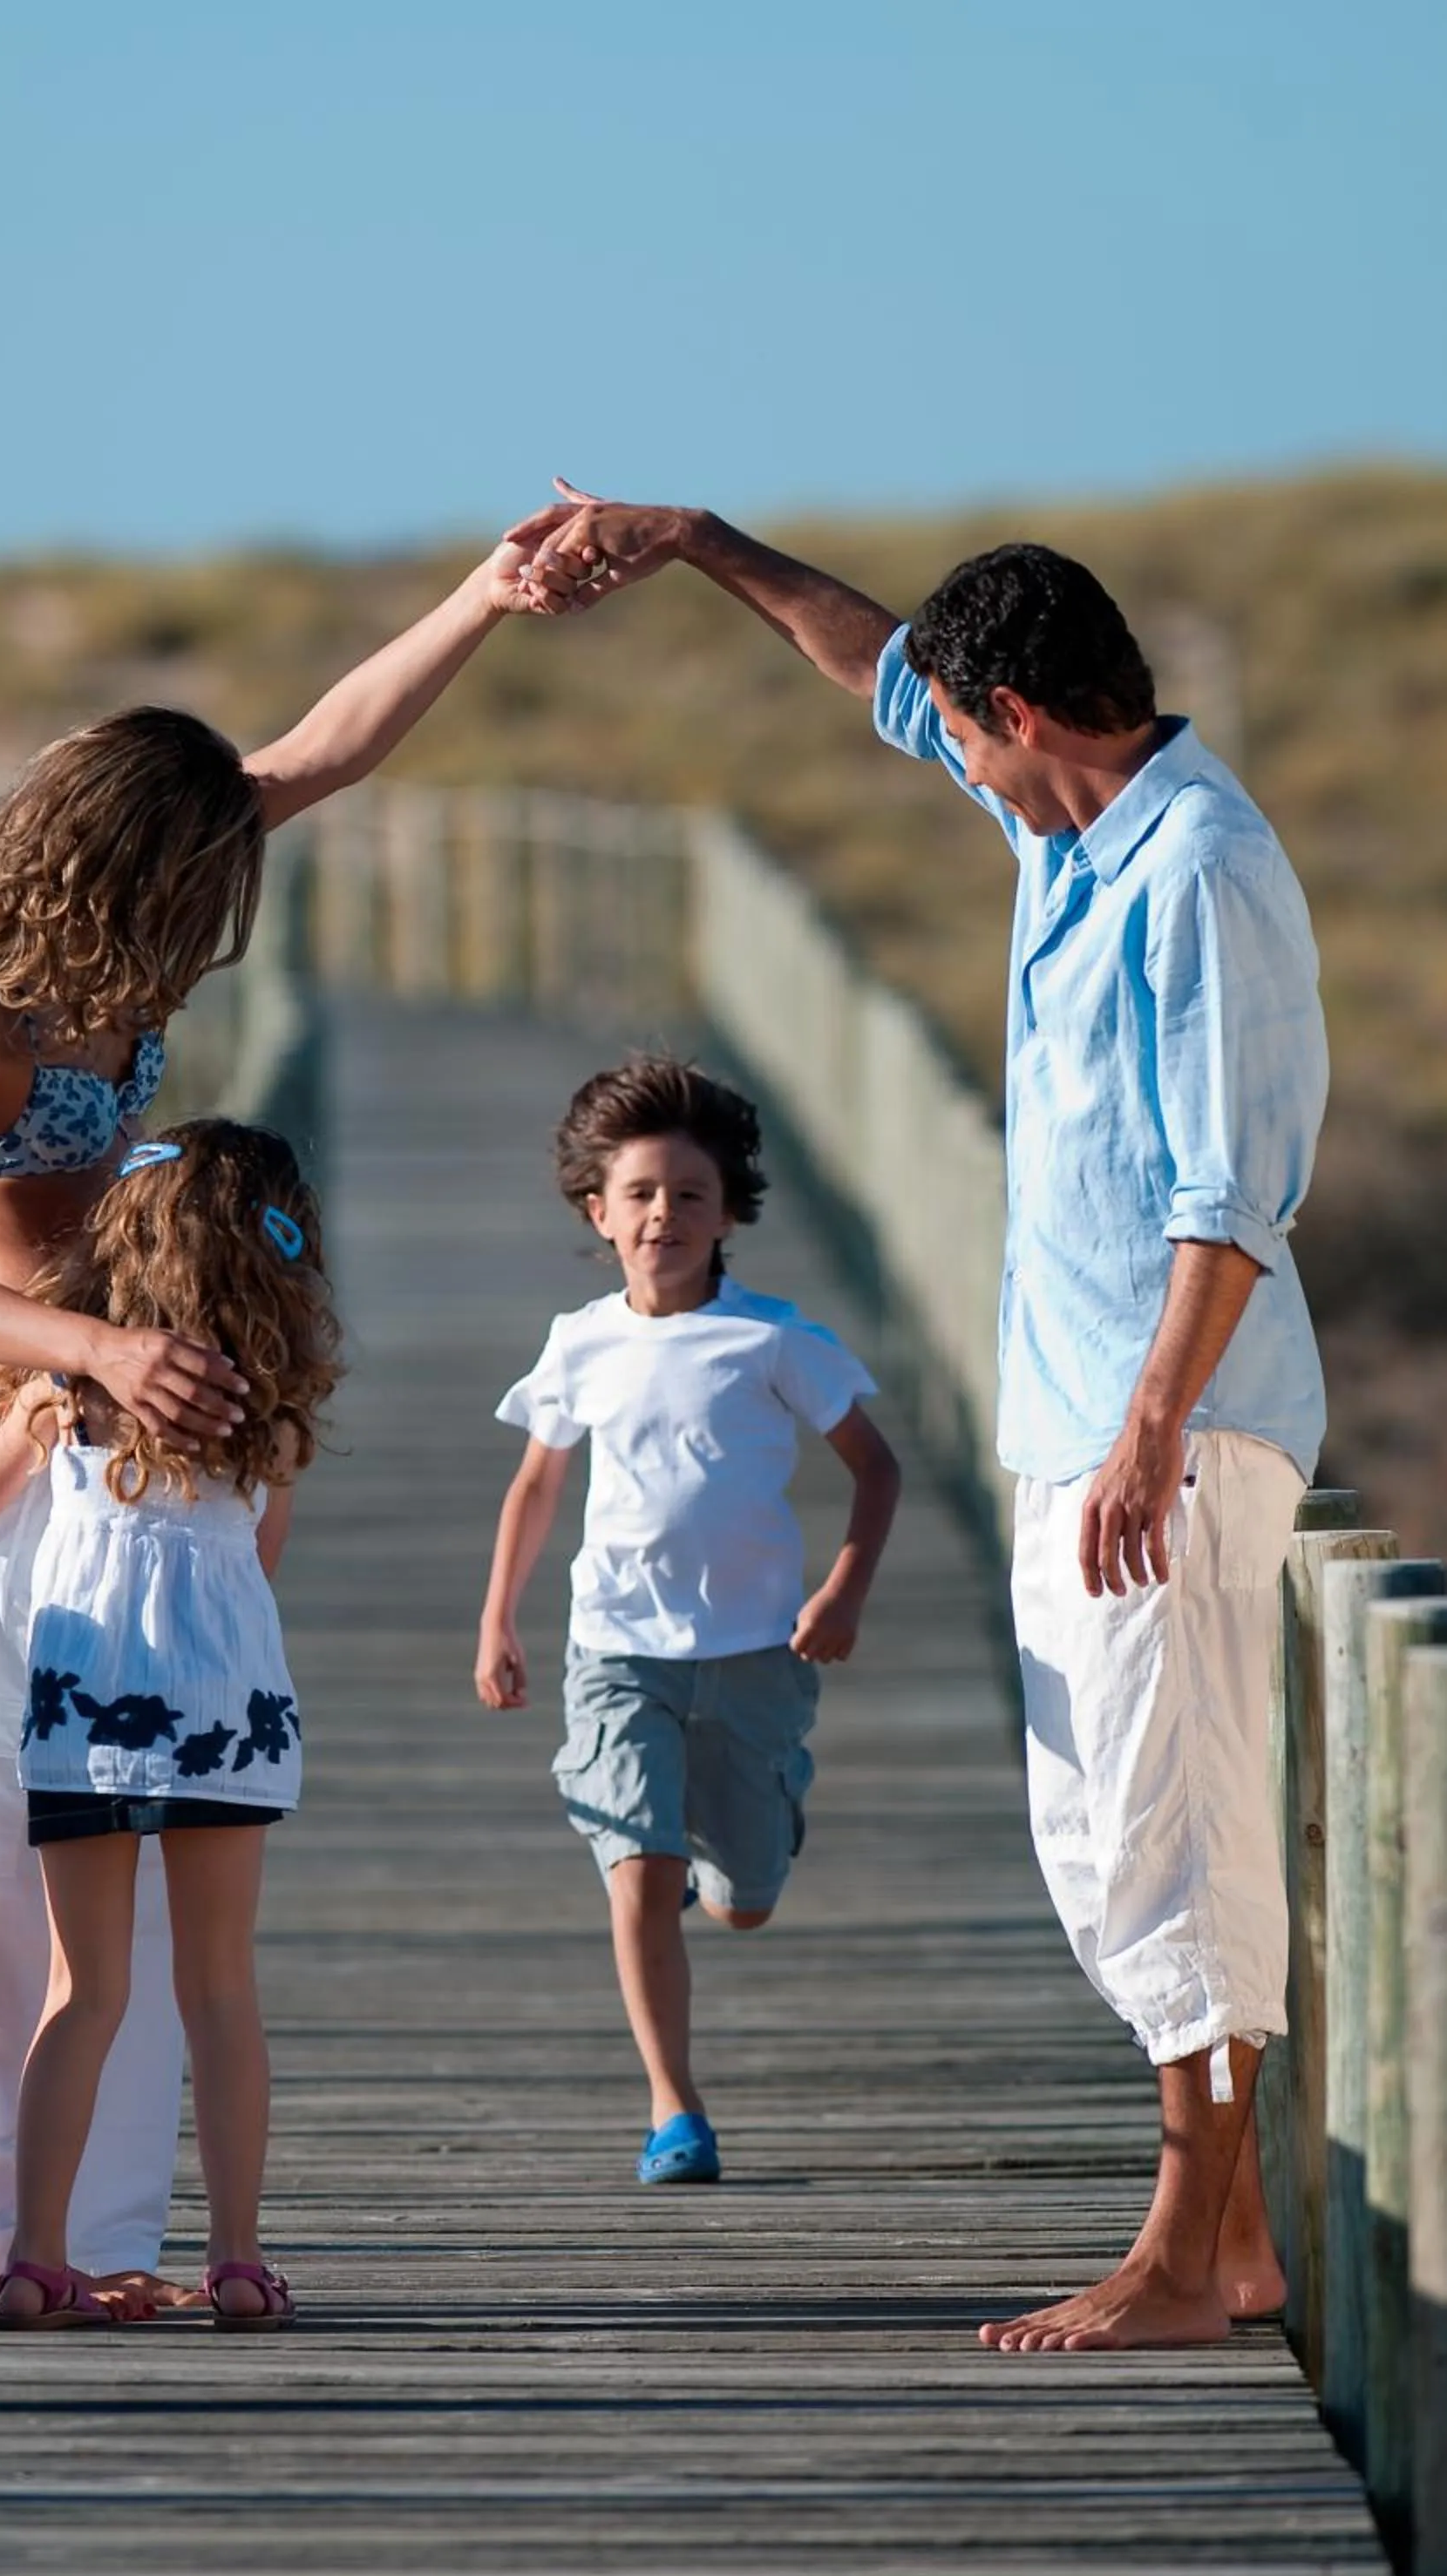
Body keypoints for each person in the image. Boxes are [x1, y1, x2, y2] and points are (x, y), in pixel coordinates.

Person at [514, 485, 1328, 2349]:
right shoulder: (1075, 827)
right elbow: (875, 666)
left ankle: (1180, 2257)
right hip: (1087, 1429)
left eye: (961, 730)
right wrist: (702, 540)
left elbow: (1231, 1203)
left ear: (1024, 716)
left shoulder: (1193, 869)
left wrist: (1143, 1435)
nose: (940, 749)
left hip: (1170, 1434)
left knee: (1162, 1837)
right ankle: (1240, 2238)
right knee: (1102, 1830)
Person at [0, 533, 555, 2316]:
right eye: (189, 883)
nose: (213, 919)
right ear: (112, 860)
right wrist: (84, 1351)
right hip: (15, 1407)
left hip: (140, 1422)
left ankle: (98, 2249)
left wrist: (483, 600)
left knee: (122, 1886)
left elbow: (324, 748)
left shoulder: (146, 930)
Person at [0, 1118, 337, 2329]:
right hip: (225, 1711)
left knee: (83, 1991)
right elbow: (261, 1557)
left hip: (88, 1704)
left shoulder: (61, 1395)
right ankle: (241, 2260)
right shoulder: (269, 1412)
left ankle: (38, 2255)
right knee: (219, 1989)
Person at [474, 1055, 900, 2183]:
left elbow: (876, 1469)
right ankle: (675, 2109)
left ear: (727, 1215)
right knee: (637, 1869)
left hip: (755, 1654)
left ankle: (753, 1846)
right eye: (642, 1195)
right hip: (616, 1652)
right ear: (598, 1212)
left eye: (690, 1196)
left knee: (740, 1903)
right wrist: (498, 1622)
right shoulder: (579, 1342)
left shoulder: (771, 1339)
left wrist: (842, 1588)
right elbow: (535, 1486)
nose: (665, 1214)